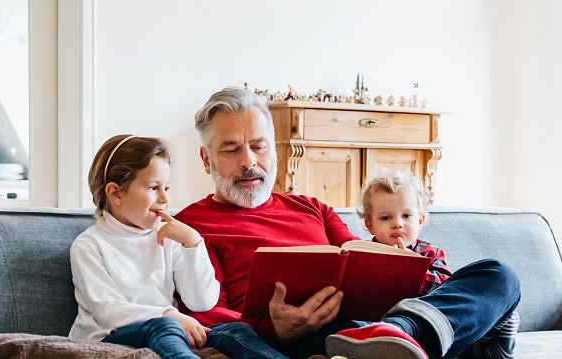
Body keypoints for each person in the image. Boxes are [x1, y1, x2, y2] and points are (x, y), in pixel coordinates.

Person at [174, 86, 521, 359]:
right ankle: (431, 341)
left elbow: (361, 259)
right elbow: (208, 315)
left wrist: (397, 264)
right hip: (310, 339)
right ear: (206, 159)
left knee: (498, 275)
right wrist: (272, 330)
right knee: (344, 343)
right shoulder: (189, 228)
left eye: (258, 146)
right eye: (231, 149)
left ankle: (404, 335)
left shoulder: (312, 207)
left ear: (274, 151)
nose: (249, 161)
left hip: (375, 322)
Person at [68, 134, 288, 359]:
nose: (165, 199)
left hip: (168, 329)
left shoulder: (168, 236)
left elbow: (201, 302)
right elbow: (108, 311)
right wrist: (169, 315)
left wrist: (193, 244)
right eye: (154, 188)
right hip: (110, 336)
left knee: (236, 331)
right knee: (165, 328)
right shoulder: (90, 245)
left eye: (167, 187)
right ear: (115, 193)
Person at [352, 167, 519, 359]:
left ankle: (485, 339)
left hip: (429, 326)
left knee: (497, 273)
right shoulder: (362, 254)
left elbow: (445, 289)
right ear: (370, 225)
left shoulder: (429, 253)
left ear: (420, 220)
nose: (397, 223)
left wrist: (410, 268)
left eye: (406, 216)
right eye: (385, 217)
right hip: (375, 325)